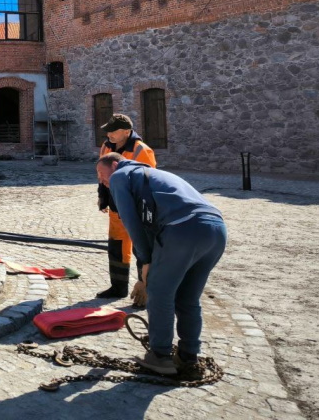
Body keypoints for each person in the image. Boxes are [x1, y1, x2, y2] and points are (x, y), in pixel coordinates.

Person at [96, 152, 227, 376]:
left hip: (183, 229)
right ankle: (188, 356)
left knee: (159, 293)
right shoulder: (154, 174)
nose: (101, 180)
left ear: (115, 164)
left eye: (101, 173)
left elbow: (132, 224)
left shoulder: (120, 176)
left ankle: (160, 356)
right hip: (216, 230)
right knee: (187, 298)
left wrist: (145, 262)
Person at [95, 114, 156, 301]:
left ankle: (145, 290)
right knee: (116, 247)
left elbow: (148, 183)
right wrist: (102, 199)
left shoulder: (142, 151)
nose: (109, 134)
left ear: (127, 132)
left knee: (142, 249)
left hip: (136, 211)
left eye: (113, 131)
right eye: (108, 130)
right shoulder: (106, 147)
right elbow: (102, 175)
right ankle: (118, 288)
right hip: (116, 209)